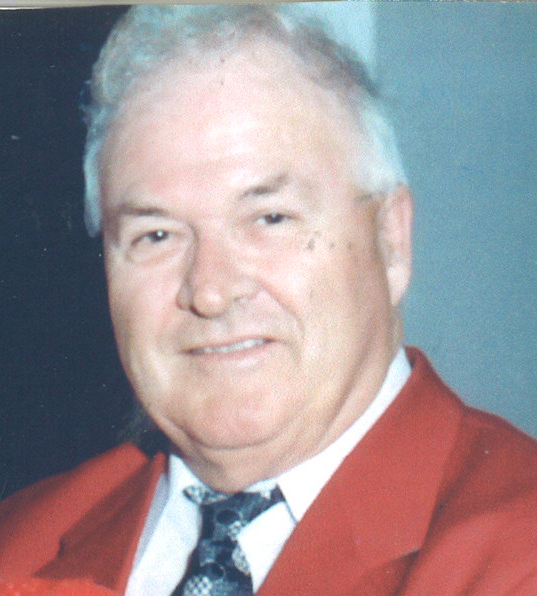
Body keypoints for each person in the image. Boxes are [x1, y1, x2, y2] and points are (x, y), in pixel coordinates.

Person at [1, 5, 536, 595]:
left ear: (390, 240)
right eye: (156, 235)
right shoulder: (17, 543)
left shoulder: (516, 552)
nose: (210, 290)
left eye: (270, 218)